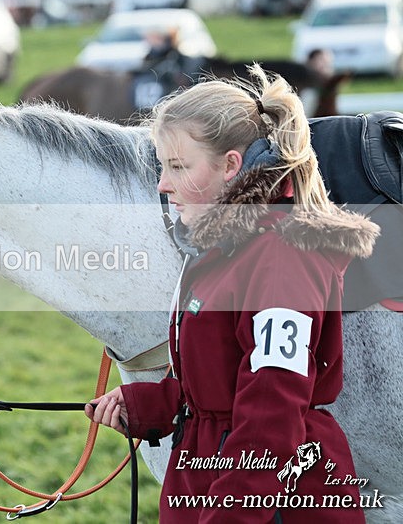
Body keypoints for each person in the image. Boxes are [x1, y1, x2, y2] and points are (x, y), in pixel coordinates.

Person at [85, 64, 379, 522]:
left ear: (230, 166)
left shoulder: (282, 258)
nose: (163, 185)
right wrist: (152, 403)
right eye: (163, 167)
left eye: (179, 167)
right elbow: (223, 381)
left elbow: (271, 414)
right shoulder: (223, 249)